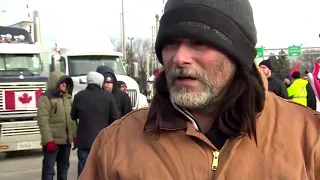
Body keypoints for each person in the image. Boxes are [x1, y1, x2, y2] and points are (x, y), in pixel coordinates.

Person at [79, 0, 320, 179]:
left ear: (239, 55)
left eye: (199, 42)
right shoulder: (115, 145)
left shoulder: (308, 139)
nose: (180, 57)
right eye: (171, 43)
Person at [71, 71, 120, 177]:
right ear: (100, 82)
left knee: (84, 170)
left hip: (84, 141)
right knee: (101, 170)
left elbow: (73, 116)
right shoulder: (108, 96)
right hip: (102, 140)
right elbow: (115, 118)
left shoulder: (79, 96)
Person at [37, 71, 76, 180]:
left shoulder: (68, 98)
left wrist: (74, 135)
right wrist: (48, 140)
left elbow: (72, 120)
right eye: (62, 82)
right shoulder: (45, 98)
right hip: (52, 142)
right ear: (55, 83)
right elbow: (42, 120)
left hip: (66, 142)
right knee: (49, 171)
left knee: (64, 169)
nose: (64, 85)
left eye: (66, 83)